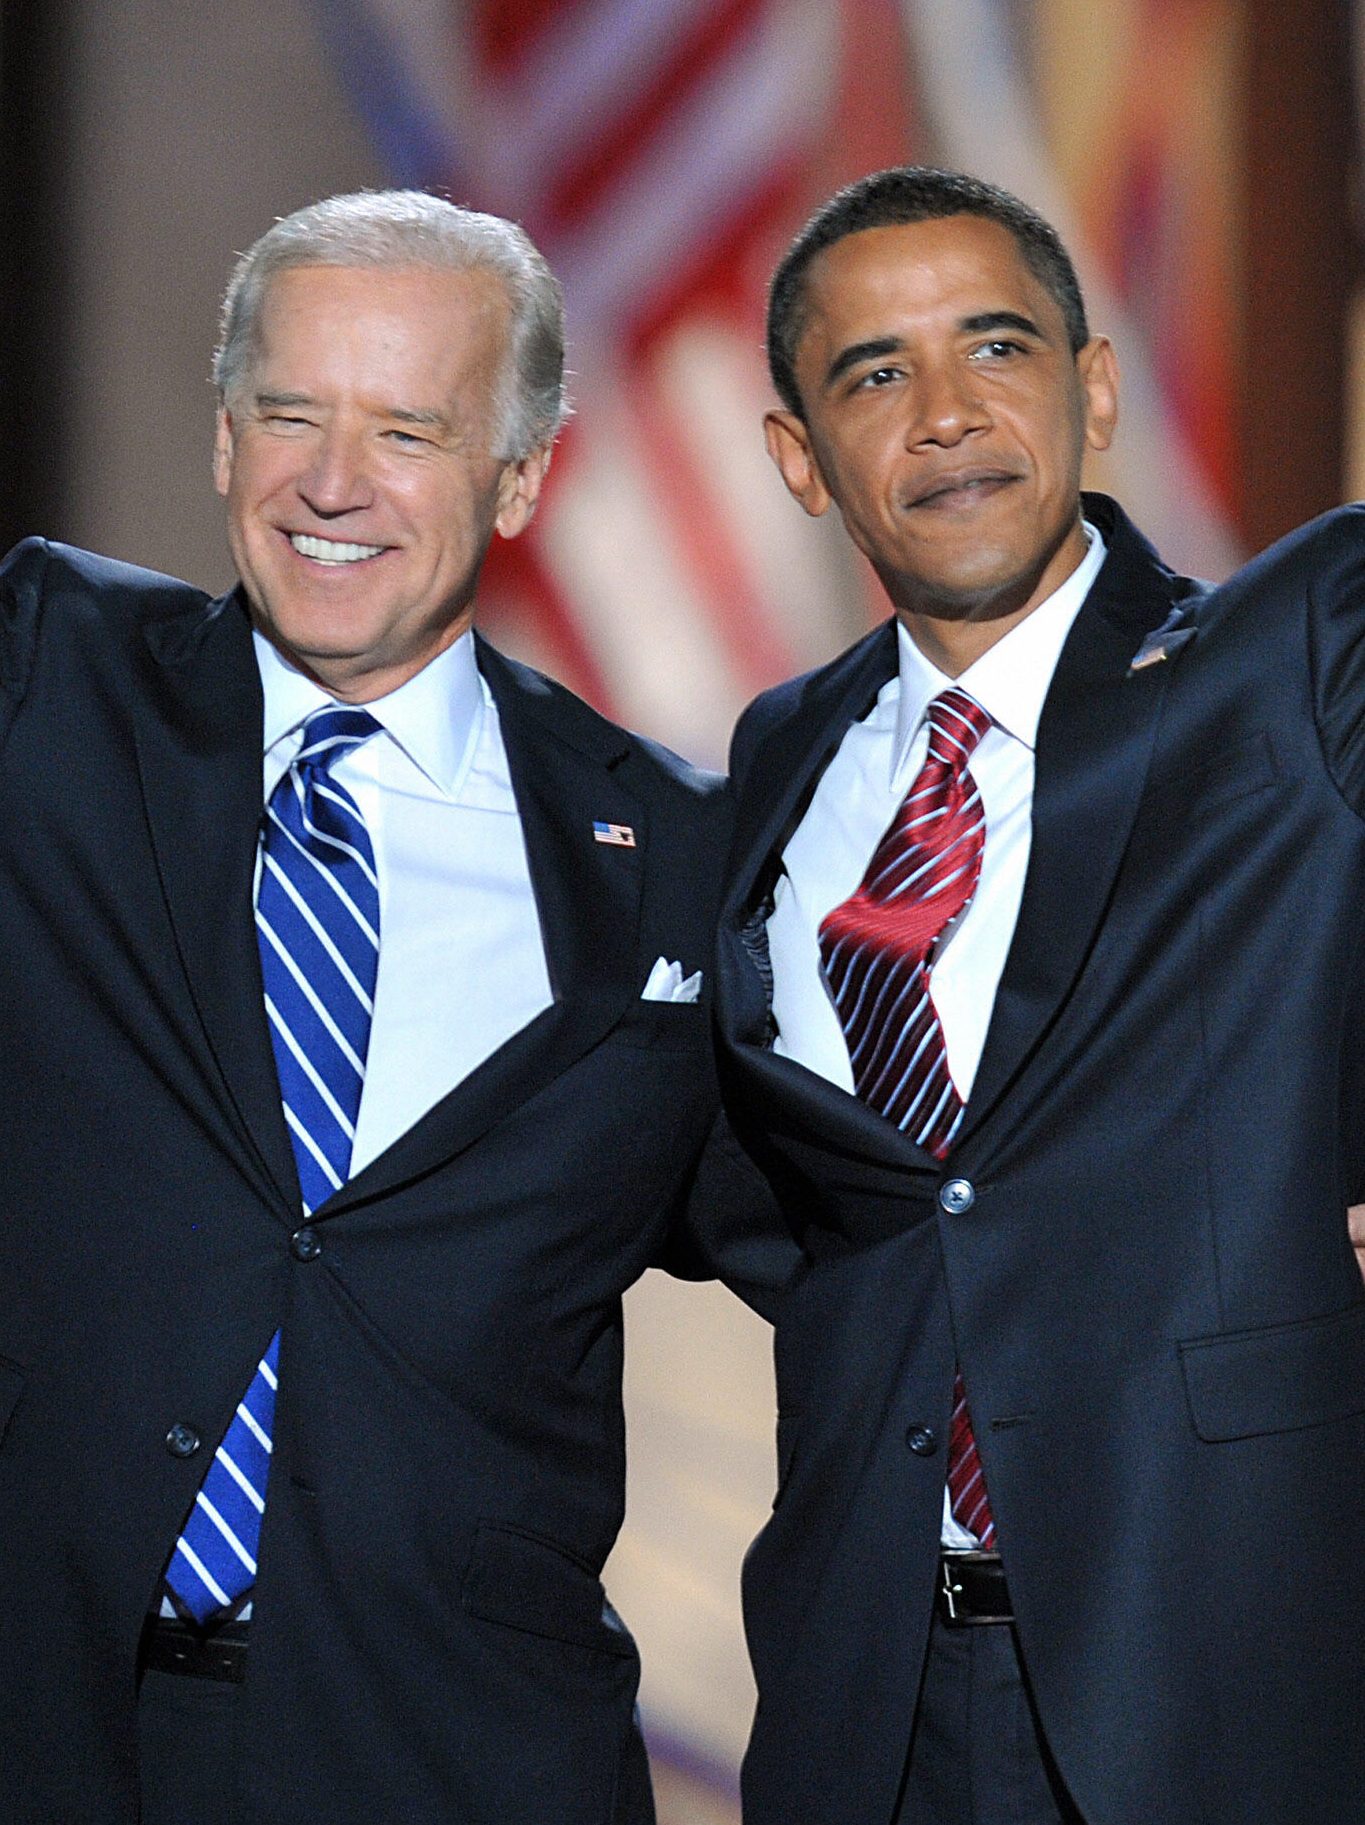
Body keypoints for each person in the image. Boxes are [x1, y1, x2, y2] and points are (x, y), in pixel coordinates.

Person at [0, 190, 729, 1825]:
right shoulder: (48, 682)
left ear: (520, 477)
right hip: (49, 1720)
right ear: (221, 440)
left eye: (407, 430)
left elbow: (870, 1238)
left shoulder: (665, 855)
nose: (333, 483)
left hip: (456, 1753)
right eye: (290, 415)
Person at [706, 166, 1365, 1825]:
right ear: (799, 457)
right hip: (868, 1692)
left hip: (1222, 1672)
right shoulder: (777, 757)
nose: (945, 412)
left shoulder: (1289, 660)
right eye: (875, 372)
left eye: (994, 346)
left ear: (1093, 389)